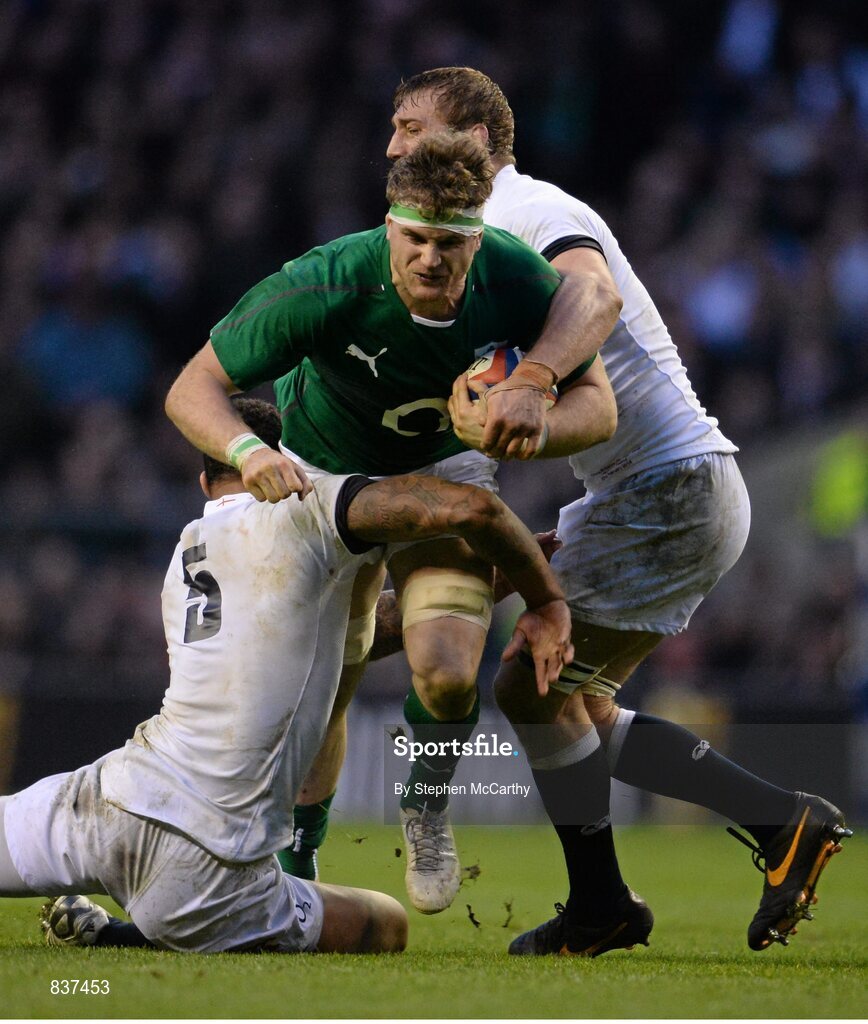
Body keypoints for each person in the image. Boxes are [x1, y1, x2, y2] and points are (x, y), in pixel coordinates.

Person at [383, 67, 852, 954]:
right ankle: (781, 819)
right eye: (393, 130)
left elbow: (591, 296)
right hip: (647, 490)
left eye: (413, 126)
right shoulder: (468, 246)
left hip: (669, 485)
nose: (395, 145)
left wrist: (531, 377)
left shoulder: (525, 210)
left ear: (478, 141)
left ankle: (602, 905)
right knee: (582, 710)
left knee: (530, 682)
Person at [163, 132, 618, 915]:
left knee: (445, 676)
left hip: (448, 471)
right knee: (322, 691)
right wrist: (244, 446)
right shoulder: (324, 282)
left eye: (451, 243)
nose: (432, 260)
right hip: (327, 474)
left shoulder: (516, 278)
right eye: (414, 239)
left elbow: (600, 408)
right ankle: (300, 865)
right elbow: (192, 386)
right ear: (388, 226)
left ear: (480, 236)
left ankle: (426, 806)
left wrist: (530, 420)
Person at [4, 396, 575, 953]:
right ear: (293, 463)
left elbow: (303, 641)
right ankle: (136, 932)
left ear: (205, 484)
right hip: (211, 862)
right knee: (387, 924)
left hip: (109, 799)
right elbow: (466, 509)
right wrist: (514, 586)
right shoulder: (304, 514)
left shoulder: (185, 553)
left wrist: (425, 613)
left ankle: (115, 925)